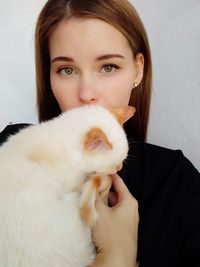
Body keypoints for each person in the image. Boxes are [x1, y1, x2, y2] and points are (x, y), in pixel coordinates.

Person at [0, 0, 199, 267]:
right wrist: (116, 256)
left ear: (137, 70)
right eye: (66, 70)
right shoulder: (12, 153)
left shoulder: (175, 182)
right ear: (49, 76)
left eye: (108, 67)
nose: (86, 94)